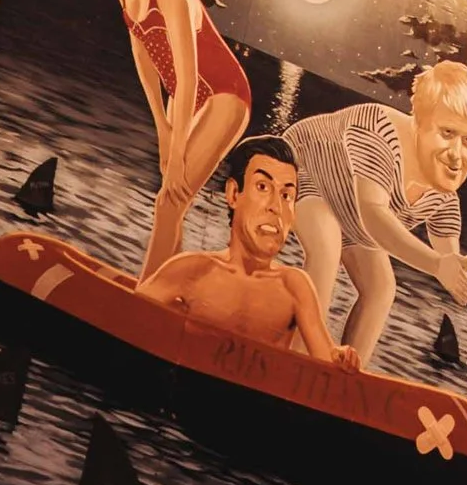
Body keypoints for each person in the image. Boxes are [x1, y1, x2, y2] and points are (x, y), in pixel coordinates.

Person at [86, 0, 251, 283]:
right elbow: (143, 48)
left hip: (223, 97)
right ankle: (167, 293)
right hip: (185, 98)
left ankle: (147, 296)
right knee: (171, 200)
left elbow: (190, 73)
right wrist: (162, 126)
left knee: (171, 198)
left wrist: (178, 150)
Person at [286, 62, 467, 368]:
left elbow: (447, 252)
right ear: (418, 124)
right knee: (326, 250)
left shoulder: (444, 197)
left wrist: (452, 266)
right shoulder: (379, 135)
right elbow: (374, 216)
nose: (456, 153)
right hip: (304, 167)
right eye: (447, 133)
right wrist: (435, 264)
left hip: (349, 214)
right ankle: (294, 358)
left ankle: (348, 375)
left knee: (381, 287)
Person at [143, 137, 354, 366]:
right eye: (263, 187)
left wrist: (342, 358)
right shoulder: (190, 270)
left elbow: (327, 359)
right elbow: (129, 315)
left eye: (287, 196)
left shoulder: (294, 286)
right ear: (234, 194)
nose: (276, 206)